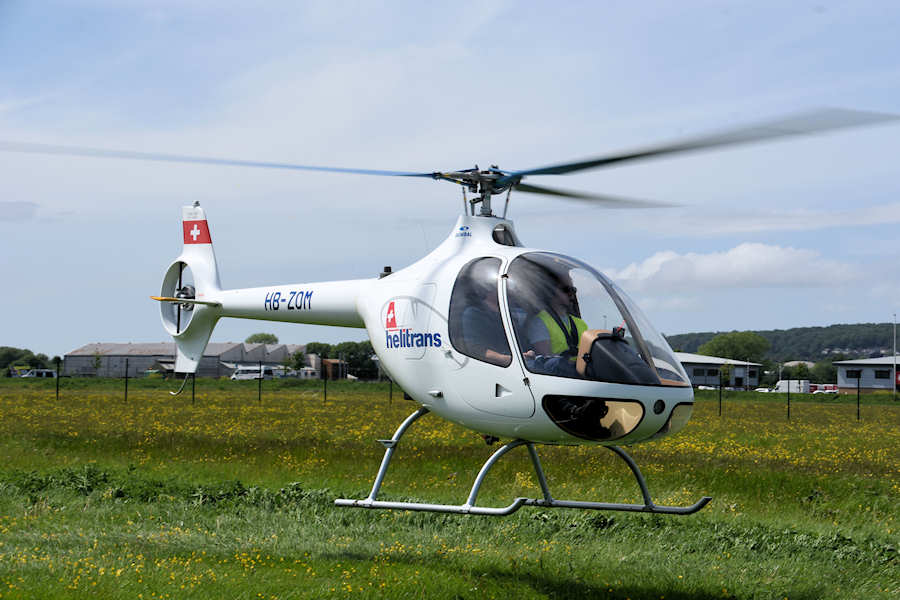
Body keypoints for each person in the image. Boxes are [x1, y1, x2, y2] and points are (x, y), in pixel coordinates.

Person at [524, 271, 588, 377]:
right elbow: (547, 362)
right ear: (551, 291)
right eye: (566, 290)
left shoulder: (581, 324)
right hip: (559, 377)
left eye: (573, 290)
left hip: (581, 376)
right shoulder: (540, 322)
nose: (571, 294)